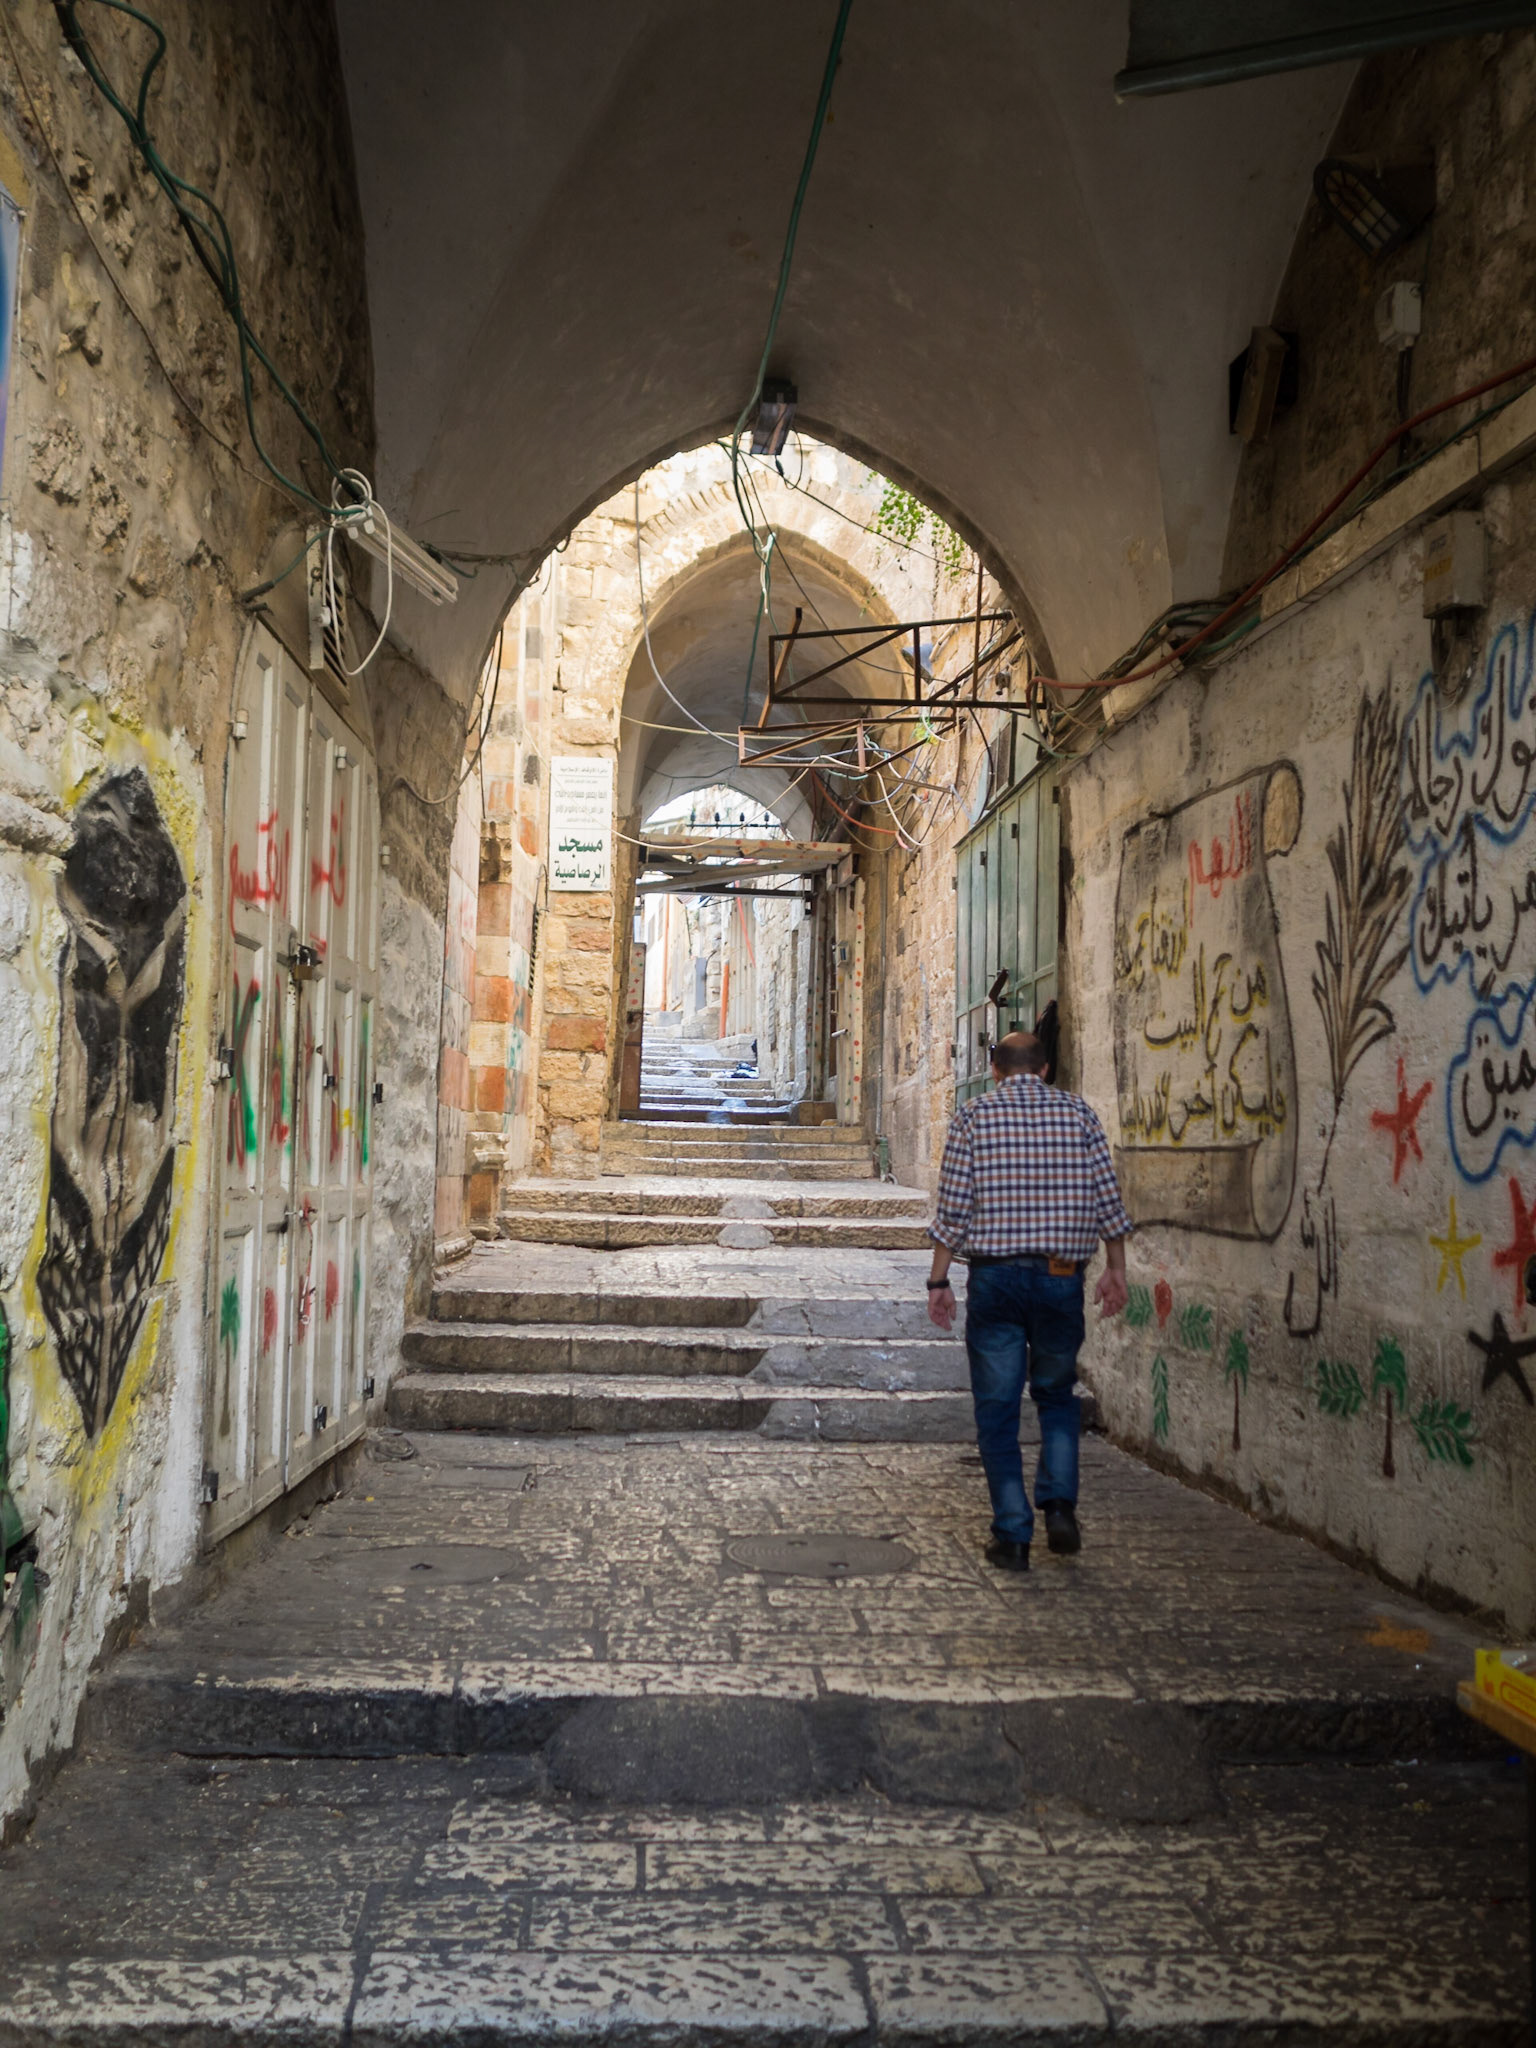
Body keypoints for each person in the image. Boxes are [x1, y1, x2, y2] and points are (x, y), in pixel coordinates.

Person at [927, 1031, 1132, 1571]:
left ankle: (1013, 1532)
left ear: (995, 1072)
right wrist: (1116, 1269)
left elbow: (954, 1208)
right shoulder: (1080, 1116)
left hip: (995, 1281)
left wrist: (938, 1282)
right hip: (1061, 1279)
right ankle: (1060, 1505)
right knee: (1057, 1395)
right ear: (1044, 1070)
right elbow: (1108, 1197)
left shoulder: (973, 1117)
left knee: (997, 1409)